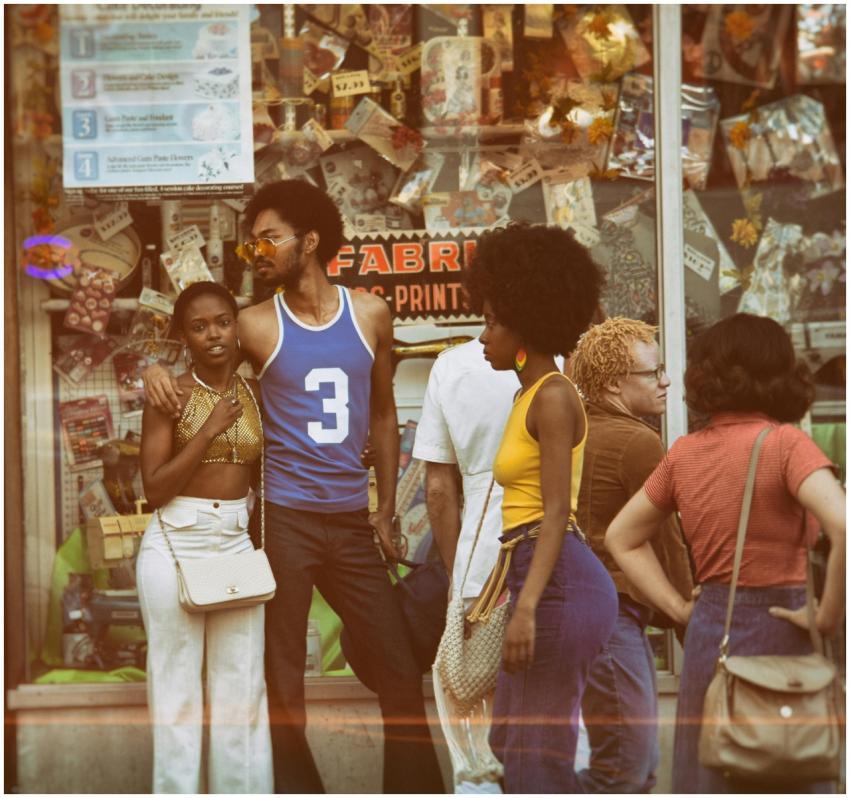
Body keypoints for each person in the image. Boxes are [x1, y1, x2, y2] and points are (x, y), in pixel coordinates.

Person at [142, 180, 444, 794]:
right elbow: (198, 355)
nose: (257, 252)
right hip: (282, 521)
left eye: (268, 238)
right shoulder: (254, 324)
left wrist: (385, 509)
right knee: (282, 681)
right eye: (252, 243)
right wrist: (153, 368)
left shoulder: (370, 313)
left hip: (351, 520)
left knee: (397, 671)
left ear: (309, 240)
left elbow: (383, 414)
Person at [606, 313, 846, 794]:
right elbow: (844, 525)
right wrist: (825, 616)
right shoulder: (785, 445)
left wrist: (677, 608)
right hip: (786, 623)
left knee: (712, 771)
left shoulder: (684, 453)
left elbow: (621, 538)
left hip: (710, 629)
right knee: (792, 766)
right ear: (777, 372)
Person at [464, 222, 619, 793]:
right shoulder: (527, 393)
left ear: (525, 324)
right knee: (513, 742)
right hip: (540, 574)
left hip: (556, 581)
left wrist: (525, 609)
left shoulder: (553, 395)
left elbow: (557, 513)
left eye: (492, 321)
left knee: (536, 757)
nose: (483, 336)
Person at [137, 281, 273, 793]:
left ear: (237, 328)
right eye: (198, 326)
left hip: (234, 542)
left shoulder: (255, 393)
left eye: (222, 321)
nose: (213, 334)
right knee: (177, 695)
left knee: (242, 693)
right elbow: (154, 489)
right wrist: (209, 429)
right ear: (183, 337)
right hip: (176, 544)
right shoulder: (170, 395)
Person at [567, 317, 695, 793]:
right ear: (616, 382)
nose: (665, 381)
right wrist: (689, 623)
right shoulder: (637, 440)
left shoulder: (580, 428)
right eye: (653, 372)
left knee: (633, 766)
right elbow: (668, 543)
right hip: (611, 617)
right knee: (624, 767)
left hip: (585, 612)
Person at [412, 337, 516, 793]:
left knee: (474, 731)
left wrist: (457, 577)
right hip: (553, 558)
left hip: (480, 559)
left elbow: (438, 489)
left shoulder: (452, 366)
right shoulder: (558, 360)